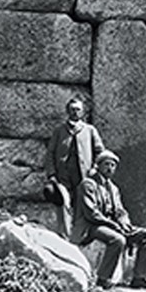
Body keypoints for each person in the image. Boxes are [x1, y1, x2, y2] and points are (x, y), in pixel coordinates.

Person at [74, 150, 146, 290]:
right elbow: (91, 213)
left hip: (111, 225)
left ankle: (140, 278)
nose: (110, 168)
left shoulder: (113, 188)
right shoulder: (88, 185)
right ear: (98, 166)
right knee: (117, 240)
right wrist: (113, 225)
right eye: (106, 164)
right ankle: (103, 278)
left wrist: (125, 223)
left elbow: (120, 210)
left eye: (113, 165)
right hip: (91, 226)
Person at [44, 96, 105, 242]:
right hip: (63, 177)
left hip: (83, 178)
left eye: (78, 110)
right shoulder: (59, 131)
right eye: (72, 110)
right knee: (64, 204)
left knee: (81, 209)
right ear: (67, 111)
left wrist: (95, 168)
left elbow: (100, 152)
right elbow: (50, 153)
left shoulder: (90, 130)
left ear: (82, 112)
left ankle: (77, 240)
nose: (75, 112)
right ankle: (64, 238)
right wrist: (52, 174)